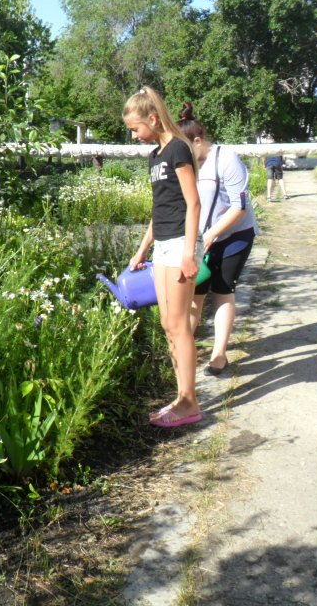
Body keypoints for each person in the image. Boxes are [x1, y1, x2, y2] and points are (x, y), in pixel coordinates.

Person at [123, 86, 203, 428]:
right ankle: (182, 396)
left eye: (135, 128)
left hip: (181, 244)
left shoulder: (178, 151)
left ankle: (189, 402)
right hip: (163, 246)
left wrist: (189, 253)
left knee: (178, 325)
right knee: (167, 324)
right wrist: (142, 249)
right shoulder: (156, 156)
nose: (134, 135)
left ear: (153, 119)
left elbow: (193, 203)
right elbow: (161, 210)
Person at [177, 103, 257, 376]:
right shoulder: (186, 163)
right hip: (202, 238)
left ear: (198, 141)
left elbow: (239, 206)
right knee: (195, 293)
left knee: (222, 290)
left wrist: (212, 233)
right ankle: (182, 347)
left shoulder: (226, 159)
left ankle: (219, 354)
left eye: (188, 149)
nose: (185, 156)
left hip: (235, 234)